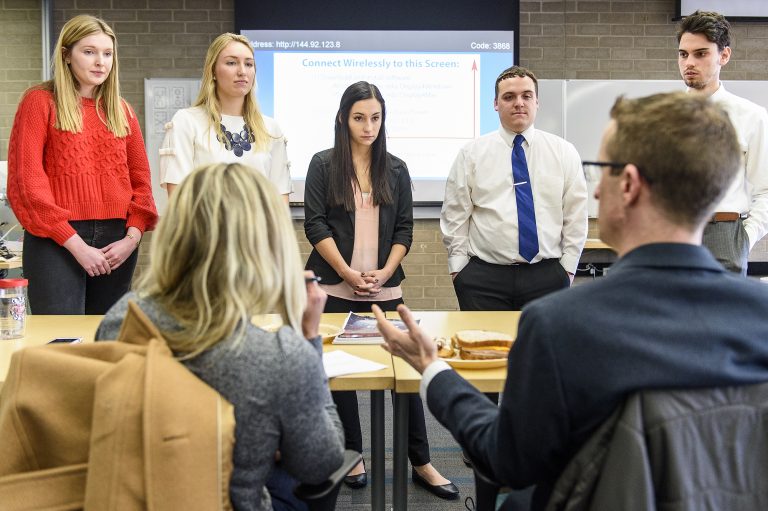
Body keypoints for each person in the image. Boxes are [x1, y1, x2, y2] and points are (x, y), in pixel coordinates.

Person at [374, 92, 768, 511]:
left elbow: (509, 461)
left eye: (603, 171)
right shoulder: (759, 320)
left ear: (630, 185)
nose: (596, 191)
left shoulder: (561, 324)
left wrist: (432, 368)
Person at [96, 162, 344, 511]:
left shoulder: (122, 318)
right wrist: (308, 341)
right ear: (265, 243)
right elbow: (320, 462)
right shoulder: (281, 354)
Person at [304, 81, 458, 500]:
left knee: (407, 370)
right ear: (343, 118)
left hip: (385, 288)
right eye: (359, 118)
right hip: (335, 283)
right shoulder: (322, 164)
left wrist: (386, 271)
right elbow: (314, 223)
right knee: (341, 374)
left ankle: (422, 462)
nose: (368, 125)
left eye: (375, 117)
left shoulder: (396, 168)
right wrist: (349, 273)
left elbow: (405, 227)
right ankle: (353, 454)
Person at [6, 14, 158, 314]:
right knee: (62, 340)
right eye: (89, 52)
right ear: (66, 55)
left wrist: (132, 238)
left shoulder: (121, 110)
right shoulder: (39, 101)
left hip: (118, 240)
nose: (100, 61)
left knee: (106, 338)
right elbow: (28, 181)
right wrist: (75, 244)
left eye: (107, 53)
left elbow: (142, 183)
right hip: (56, 239)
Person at [441, 65, 588, 312]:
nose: (518, 103)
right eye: (509, 97)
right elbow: (455, 214)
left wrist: (568, 268)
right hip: (483, 278)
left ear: (537, 102)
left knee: (541, 349)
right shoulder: (471, 154)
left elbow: (575, 215)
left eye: (526, 96)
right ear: (496, 103)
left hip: (547, 275)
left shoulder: (563, 152)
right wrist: (459, 269)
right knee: (484, 350)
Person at [677, 10, 768, 275]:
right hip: (673, 235)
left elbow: (766, 189)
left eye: (701, 53)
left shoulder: (751, 116)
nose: (689, 62)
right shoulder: (663, 115)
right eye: (683, 54)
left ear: (723, 56)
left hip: (725, 235)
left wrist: (744, 240)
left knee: (722, 318)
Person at [159, 33, 292, 201]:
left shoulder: (271, 128)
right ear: (213, 70)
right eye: (231, 63)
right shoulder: (187, 121)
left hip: (260, 227)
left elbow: (280, 200)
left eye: (249, 64)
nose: (242, 71)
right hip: (205, 226)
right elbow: (179, 199)